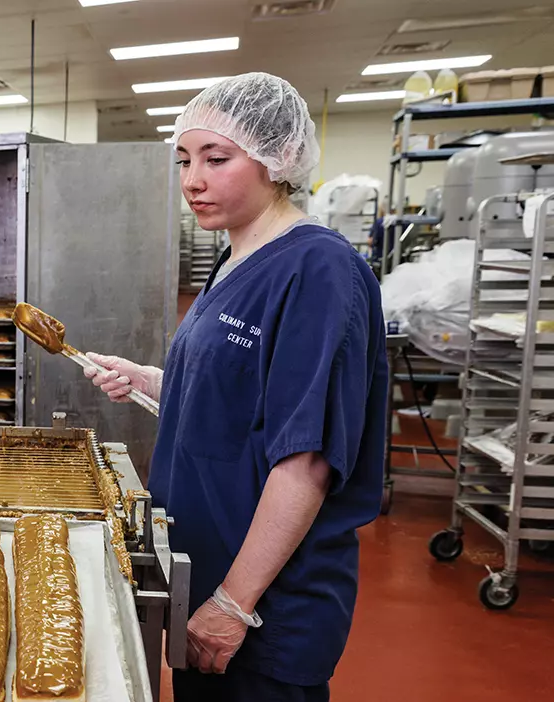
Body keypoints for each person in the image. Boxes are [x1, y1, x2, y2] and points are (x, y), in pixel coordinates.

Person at [83, 73, 386, 701]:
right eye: (185, 159)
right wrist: (152, 381)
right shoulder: (233, 259)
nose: (193, 179)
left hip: (263, 605)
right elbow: (238, 398)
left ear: (278, 160)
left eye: (217, 159)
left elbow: (305, 460)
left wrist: (232, 604)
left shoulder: (319, 270)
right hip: (204, 571)